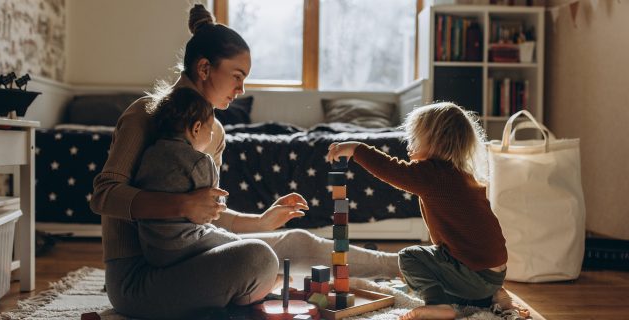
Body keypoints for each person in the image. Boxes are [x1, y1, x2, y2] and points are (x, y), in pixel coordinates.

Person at [90, 4, 398, 319]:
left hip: (191, 255)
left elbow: (207, 214)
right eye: (237, 77)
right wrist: (182, 205)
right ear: (205, 68)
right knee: (257, 260)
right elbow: (104, 195)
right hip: (138, 280)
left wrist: (260, 222)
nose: (241, 90)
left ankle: (402, 265)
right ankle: (247, 295)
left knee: (294, 241)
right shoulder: (144, 113)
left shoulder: (216, 132)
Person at [326, 102, 528, 320]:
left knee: (410, 258)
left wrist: (357, 149)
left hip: (474, 274)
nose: (409, 145)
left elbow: (391, 169)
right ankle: (488, 297)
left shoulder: (433, 173)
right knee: (439, 272)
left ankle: (439, 305)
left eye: (415, 139)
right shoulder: (461, 174)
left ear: (435, 142)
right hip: (493, 274)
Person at [134, 87, 241, 267]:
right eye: (211, 131)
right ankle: (263, 284)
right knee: (239, 245)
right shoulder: (200, 161)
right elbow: (215, 206)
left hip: (151, 247)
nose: (212, 136)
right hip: (185, 242)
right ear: (196, 128)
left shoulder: (149, 153)